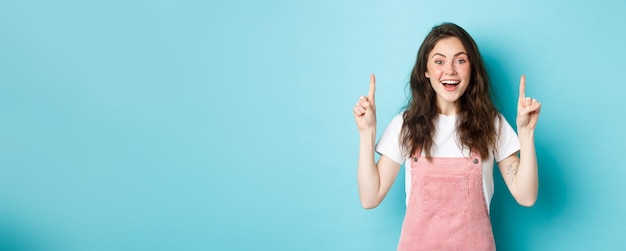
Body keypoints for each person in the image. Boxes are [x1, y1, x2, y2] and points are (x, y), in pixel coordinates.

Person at [352, 22, 541, 250]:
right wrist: (367, 133)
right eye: (439, 61)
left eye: (460, 60)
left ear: (472, 68)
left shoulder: (492, 124)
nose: (450, 70)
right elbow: (370, 198)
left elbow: (526, 196)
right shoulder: (406, 125)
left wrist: (526, 134)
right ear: (426, 71)